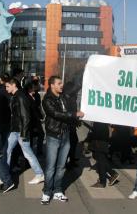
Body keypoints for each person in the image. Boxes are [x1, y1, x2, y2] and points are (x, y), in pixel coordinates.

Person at [40, 76, 84, 205]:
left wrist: (86, 73)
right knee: (50, 167)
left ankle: (58, 190)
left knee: (61, 166)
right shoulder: (47, 99)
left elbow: (75, 88)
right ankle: (47, 192)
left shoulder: (63, 96)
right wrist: (74, 114)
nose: (62, 85)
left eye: (62, 83)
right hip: (53, 136)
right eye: (59, 83)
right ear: (52, 85)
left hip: (66, 135)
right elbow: (56, 114)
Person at [2, 78, 44, 185]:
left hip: (20, 131)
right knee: (7, 150)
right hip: (15, 129)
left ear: (13, 85)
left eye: (7, 86)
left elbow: (26, 116)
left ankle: (40, 174)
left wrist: (24, 133)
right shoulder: (16, 96)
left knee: (27, 153)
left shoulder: (20, 97)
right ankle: (4, 175)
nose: (6, 88)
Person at [88, 122, 119, 188]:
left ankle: (102, 182)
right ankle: (112, 174)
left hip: (100, 135)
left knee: (100, 158)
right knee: (99, 157)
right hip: (100, 134)